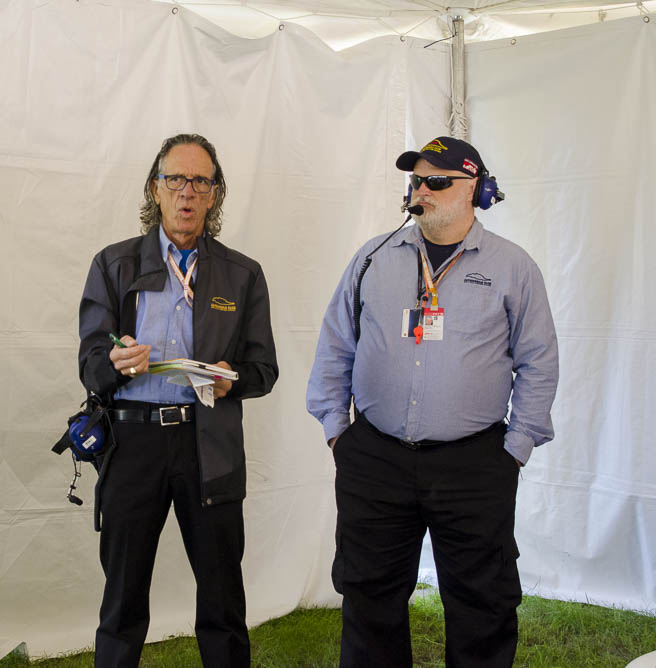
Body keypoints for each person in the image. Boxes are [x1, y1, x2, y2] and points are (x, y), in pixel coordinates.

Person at [305, 136, 559, 667]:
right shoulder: (373, 258)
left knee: (482, 606)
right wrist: (336, 430)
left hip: (474, 464)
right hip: (374, 459)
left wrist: (515, 449)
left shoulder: (513, 267)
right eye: (416, 180)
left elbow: (538, 361)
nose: (421, 190)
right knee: (369, 599)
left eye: (436, 181)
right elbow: (335, 343)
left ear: (475, 189)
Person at [78, 133, 279, 667]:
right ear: (155, 188)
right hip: (132, 442)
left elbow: (264, 369)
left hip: (207, 443)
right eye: (175, 180)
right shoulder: (114, 264)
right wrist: (114, 363)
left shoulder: (242, 274)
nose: (187, 192)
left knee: (222, 599)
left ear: (214, 194)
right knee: (122, 600)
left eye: (200, 182)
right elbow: (90, 365)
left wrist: (234, 379)